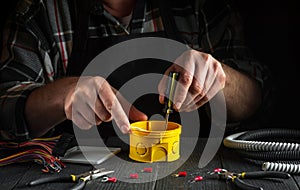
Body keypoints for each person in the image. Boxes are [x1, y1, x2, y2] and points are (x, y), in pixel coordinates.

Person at [0, 0, 271, 143]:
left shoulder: (199, 5)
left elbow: (258, 100)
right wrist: (64, 96)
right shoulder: (40, 11)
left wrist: (219, 78)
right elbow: (5, 108)